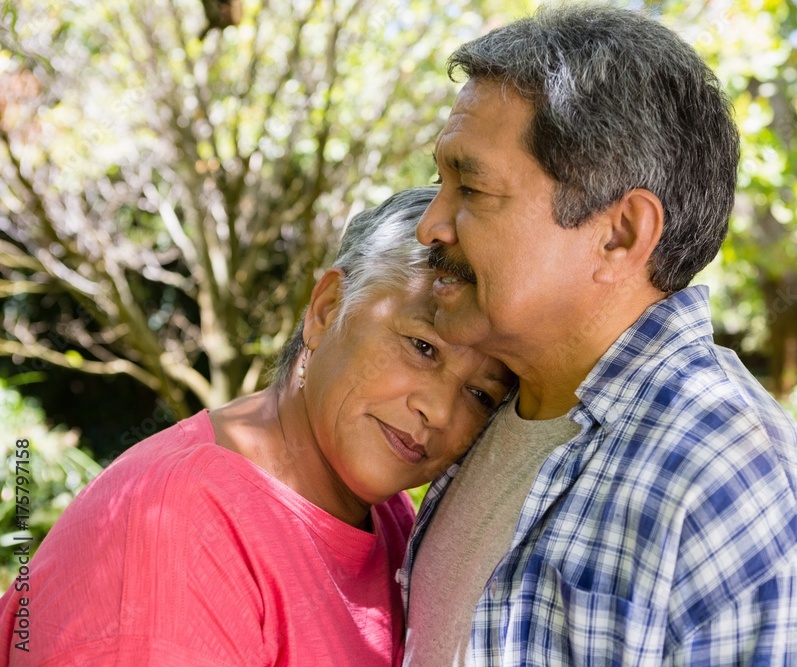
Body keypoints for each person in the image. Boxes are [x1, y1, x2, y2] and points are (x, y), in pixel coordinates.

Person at [402, 6, 797, 666]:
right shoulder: (482, 415)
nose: (430, 224)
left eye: (473, 187)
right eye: (441, 182)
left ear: (621, 233)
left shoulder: (732, 482)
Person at [0, 187, 513, 666]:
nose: (441, 412)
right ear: (326, 309)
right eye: (423, 347)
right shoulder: (177, 536)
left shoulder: (392, 517)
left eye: (481, 394)